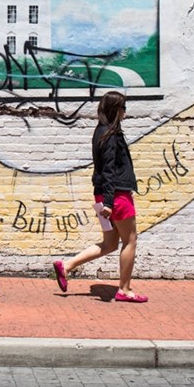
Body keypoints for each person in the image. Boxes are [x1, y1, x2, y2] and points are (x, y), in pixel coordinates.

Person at [52, 91, 148, 303]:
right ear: (116, 110)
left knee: (110, 243)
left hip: (104, 196)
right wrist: (109, 202)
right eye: (123, 108)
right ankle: (124, 289)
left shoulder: (101, 132)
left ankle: (66, 266)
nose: (125, 112)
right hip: (116, 196)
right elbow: (109, 170)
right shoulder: (110, 135)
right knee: (130, 240)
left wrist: (104, 200)